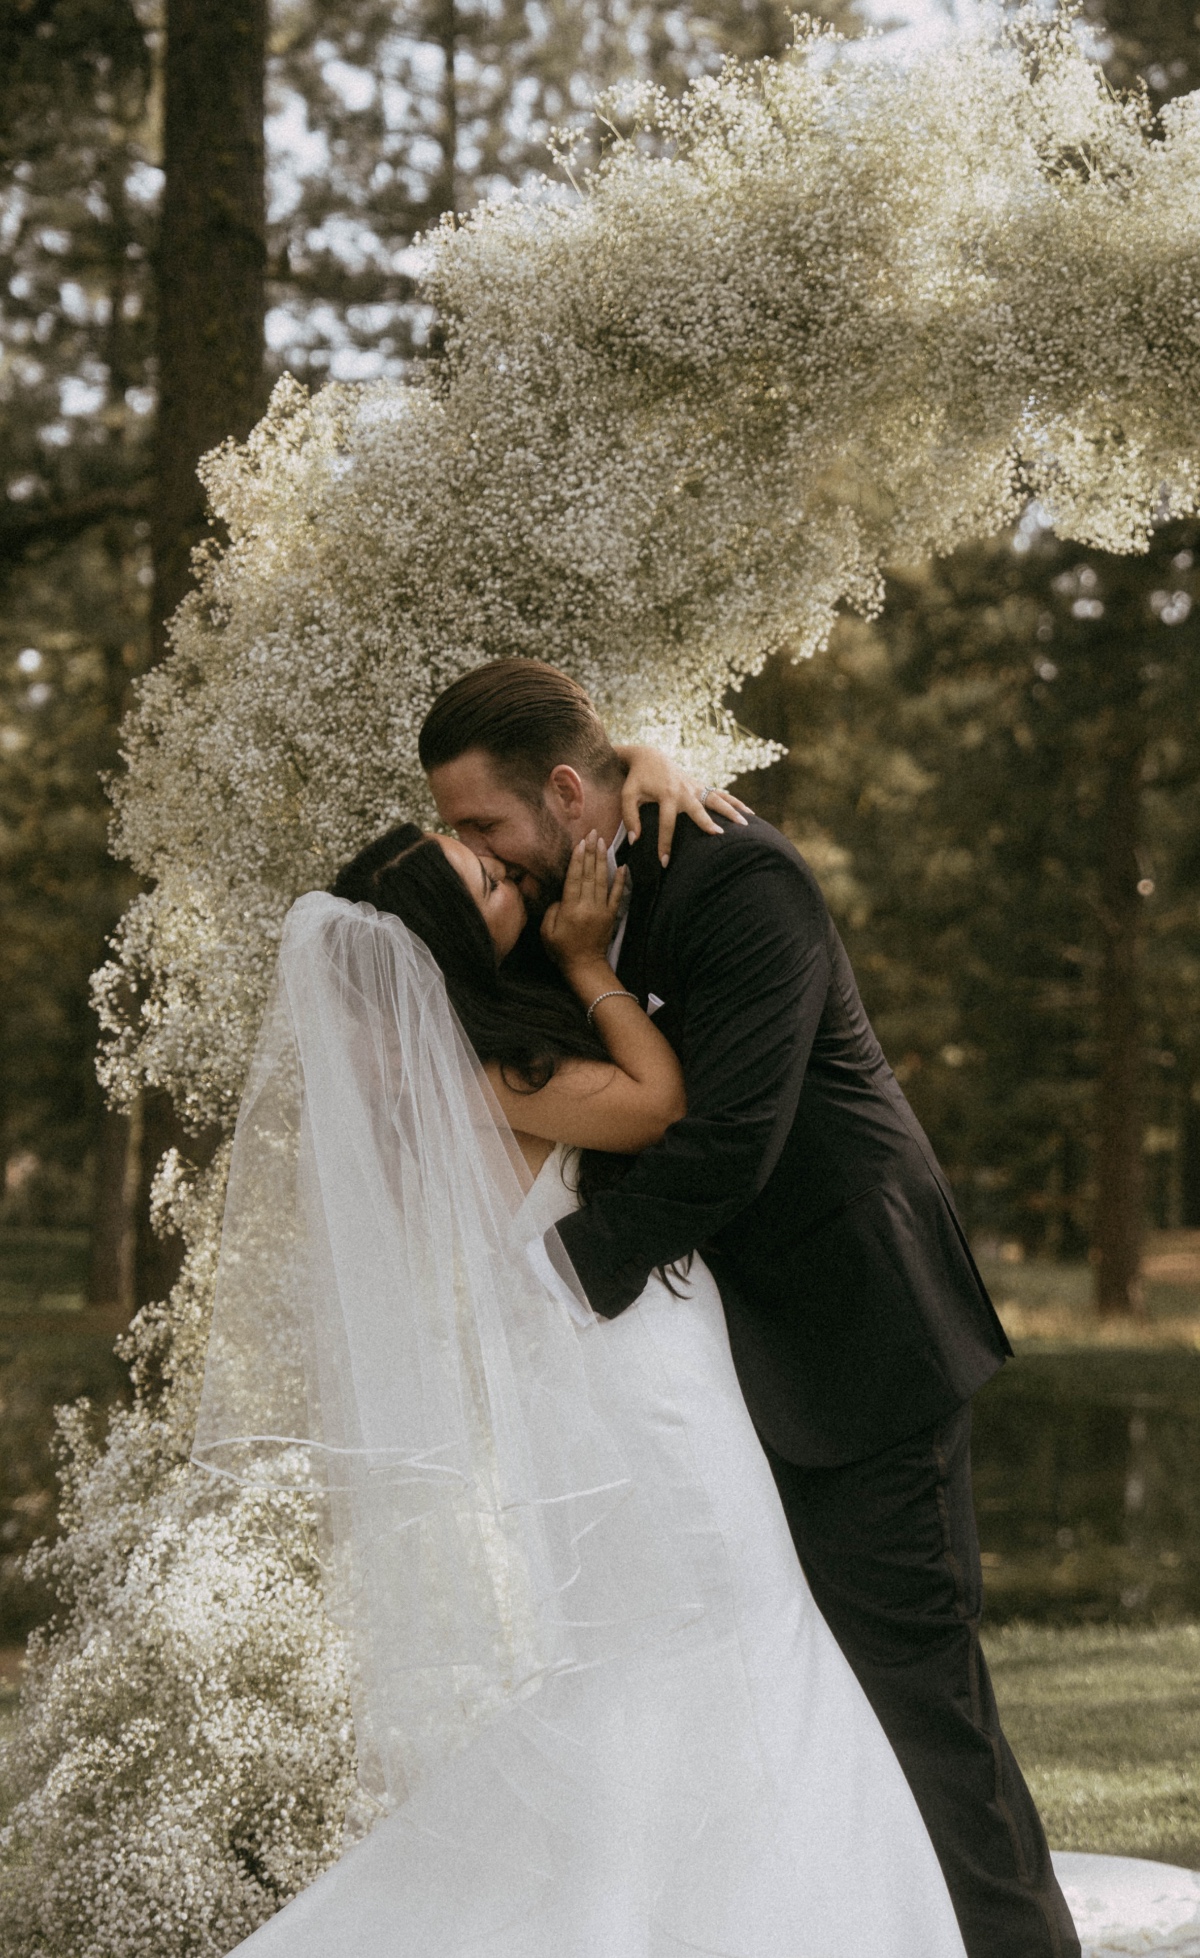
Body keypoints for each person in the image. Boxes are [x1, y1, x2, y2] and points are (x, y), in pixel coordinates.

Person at [198, 771, 971, 1957]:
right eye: (483, 879)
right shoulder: (486, 1066)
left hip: (632, 1363)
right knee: (730, 1626)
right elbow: (662, 1103)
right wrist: (585, 963)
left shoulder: (464, 1051)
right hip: (637, 1383)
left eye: (488, 851)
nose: (506, 872)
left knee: (703, 1642)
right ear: (444, 938)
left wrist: (646, 761)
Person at [418, 658, 1081, 1958]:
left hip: (857, 1339)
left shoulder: (739, 878)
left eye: (487, 825)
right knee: (794, 1703)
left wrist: (558, 1280)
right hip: (717, 1375)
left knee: (919, 1704)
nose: (475, 850)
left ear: (563, 790)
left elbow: (731, 1140)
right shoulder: (571, 917)